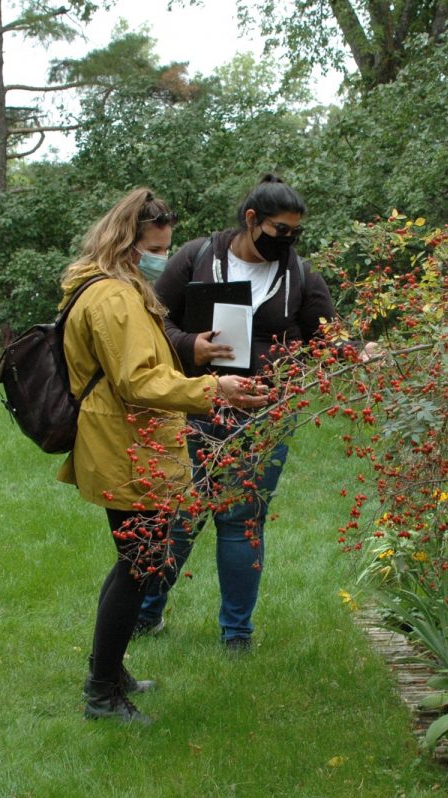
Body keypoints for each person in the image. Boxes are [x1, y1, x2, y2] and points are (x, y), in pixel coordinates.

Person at [56, 188, 268, 724]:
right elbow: (138, 381)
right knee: (139, 566)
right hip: (126, 446)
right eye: (153, 247)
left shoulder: (114, 286)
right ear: (127, 242)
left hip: (129, 442)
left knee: (135, 563)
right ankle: (102, 695)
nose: (159, 256)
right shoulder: (113, 298)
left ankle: (109, 670)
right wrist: (211, 389)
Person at [137, 174, 372, 652]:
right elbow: (153, 320)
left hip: (263, 415)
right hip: (197, 403)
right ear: (252, 220)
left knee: (243, 519)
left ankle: (237, 636)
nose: (288, 241)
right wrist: (189, 345)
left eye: (295, 232)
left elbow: (326, 337)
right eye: (280, 230)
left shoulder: (300, 275)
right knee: (182, 512)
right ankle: (145, 615)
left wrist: (359, 352)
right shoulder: (199, 258)